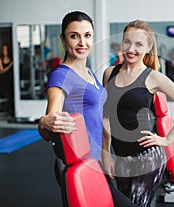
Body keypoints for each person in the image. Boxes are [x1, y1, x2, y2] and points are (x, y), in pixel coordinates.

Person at [38, 11, 137, 207]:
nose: (82, 42)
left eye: (87, 35)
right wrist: (44, 123)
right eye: (74, 36)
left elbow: (98, 117)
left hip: (96, 161)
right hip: (79, 166)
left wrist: (105, 154)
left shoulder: (89, 72)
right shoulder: (61, 76)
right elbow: (51, 121)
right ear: (63, 39)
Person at [102, 20, 174, 207]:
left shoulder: (153, 77)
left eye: (139, 44)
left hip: (147, 158)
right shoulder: (109, 74)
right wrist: (105, 153)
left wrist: (166, 139)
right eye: (127, 42)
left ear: (148, 47)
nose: (131, 48)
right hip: (121, 157)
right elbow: (105, 116)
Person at [0, 44, 14, 115]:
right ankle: (5, 110)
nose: (5, 51)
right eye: (3, 49)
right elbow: (2, 70)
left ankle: (12, 110)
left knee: (12, 94)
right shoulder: (0, 59)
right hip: (4, 79)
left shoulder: (10, 57)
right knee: (6, 94)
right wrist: (10, 65)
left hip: (11, 78)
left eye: (6, 49)